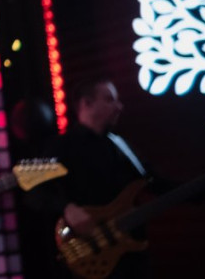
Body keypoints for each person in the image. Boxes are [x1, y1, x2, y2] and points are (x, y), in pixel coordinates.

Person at [27, 77, 154, 278]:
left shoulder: (120, 144)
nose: (119, 107)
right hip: (91, 255)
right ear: (86, 103)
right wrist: (67, 208)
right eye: (109, 99)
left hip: (130, 256)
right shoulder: (59, 145)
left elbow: (154, 181)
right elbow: (31, 189)